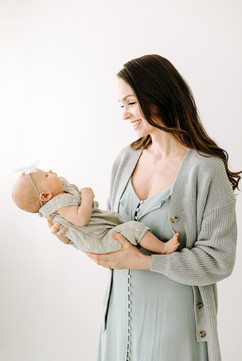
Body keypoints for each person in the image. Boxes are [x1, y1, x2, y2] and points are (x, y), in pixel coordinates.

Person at [47, 55, 241, 361]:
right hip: (118, 323)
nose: (124, 114)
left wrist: (146, 262)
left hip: (176, 327)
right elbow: (110, 234)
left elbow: (220, 261)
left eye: (131, 103)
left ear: (158, 97)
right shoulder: (125, 160)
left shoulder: (206, 169)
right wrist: (71, 236)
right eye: (120, 105)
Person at [12, 166, 179, 254]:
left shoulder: (59, 195)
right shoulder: (59, 204)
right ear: (46, 195)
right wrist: (87, 197)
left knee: (131, 232)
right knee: (134, 229)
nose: (51, 172)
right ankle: (163, 248)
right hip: (100, 239)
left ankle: (150, 250)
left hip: (101, 234)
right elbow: (81, 219)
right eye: (47, 176)